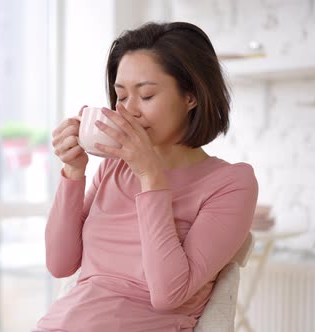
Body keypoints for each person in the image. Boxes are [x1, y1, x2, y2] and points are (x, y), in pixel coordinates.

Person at [35, 21, 258, 332]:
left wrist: (151, 175)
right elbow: (60, 264)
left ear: (190, 96)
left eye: (147, 95)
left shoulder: (231, 183)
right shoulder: (113, 168)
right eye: (121, 96)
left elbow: (169, 295)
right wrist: (73, 172)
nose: (129, 111)